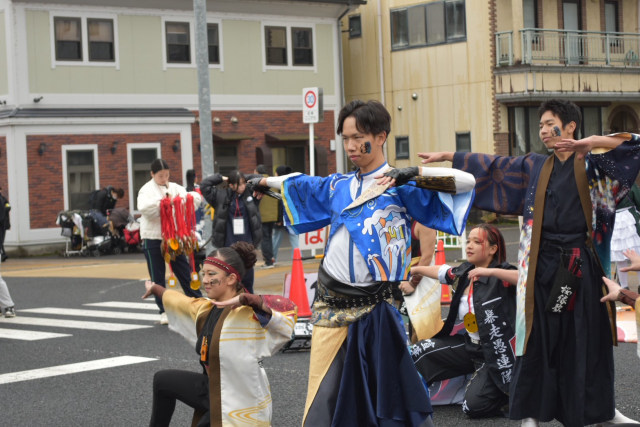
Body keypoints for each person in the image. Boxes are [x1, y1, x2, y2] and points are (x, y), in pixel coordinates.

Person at [251, 99, 476, 426]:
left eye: (358, 137)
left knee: (387, 393)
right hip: (331, 304)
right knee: (323, 393)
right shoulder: (338, 185)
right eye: (345, 138)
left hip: (378, 307)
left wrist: (415, 173)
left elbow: (467, 182)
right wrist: (260, 182)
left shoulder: (402, 186)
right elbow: (298, 184)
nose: (350, 146)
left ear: (381, 136)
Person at [418, 99, 640, 427]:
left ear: (570, 127)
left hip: (581, 264)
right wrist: (449, 156)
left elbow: (633, 147)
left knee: (588, 338)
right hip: (542, 266)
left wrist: (591, 143)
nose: (543, 130)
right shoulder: (535, 166)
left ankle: (602, 410)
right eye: (539, 126)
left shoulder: (593, 164)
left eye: (549, 123)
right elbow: (493, 166)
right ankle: (532, 414)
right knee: (537, 340)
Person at [144, 241, 296, 426]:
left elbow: (287, 315)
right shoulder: (206, 308)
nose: (205, 280)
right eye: (204, 274)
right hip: (213, 388)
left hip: (239, 401)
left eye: (211, 274)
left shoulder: (249, 315)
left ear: (231, 279)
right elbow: (181, 301)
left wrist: (252, 299)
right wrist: (156, 289)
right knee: (163, 380)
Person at [409, 224, 518, 418]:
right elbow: (442, 271)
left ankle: (500, 394)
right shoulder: (465, 272)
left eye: (477, 242)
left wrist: (490, 272)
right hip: (469, 347)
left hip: (495, 352)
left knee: (471, 407)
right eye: (468, 241)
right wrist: (415, 269)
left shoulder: (503, 274)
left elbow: (524, 278)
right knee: (417, 351)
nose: (469, 245)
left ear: (493, 249)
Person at [137, 159, 203, 325]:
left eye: (166, 175)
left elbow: (194, 198)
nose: (164, 178)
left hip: (173, 238)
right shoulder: (146, 190)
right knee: (157, 276)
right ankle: (163, 311)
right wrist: (166, 203)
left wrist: (180, 200)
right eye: (160, 176)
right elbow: (145, 209)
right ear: (152, 174)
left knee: (184, 271)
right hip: (153, 237)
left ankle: (198, 303)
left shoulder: (175, 187)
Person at [200, 170, 262, 293]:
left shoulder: (251, 193)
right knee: (230, 279)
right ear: (231, 185)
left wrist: (242, 176)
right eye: (239, 184)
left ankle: (248, 301)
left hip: (247, 245)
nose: (243, 186)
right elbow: (205, 185)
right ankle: (230, 302)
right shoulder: (220, 196)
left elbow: (260, 178)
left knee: (247, 280)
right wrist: (222, 177)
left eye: (244, 183)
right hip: (228, 245)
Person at [611, 184, 640, 290]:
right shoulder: (629, 183)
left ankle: (623, 288)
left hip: (614, 221)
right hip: (629, 220)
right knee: (636, 255)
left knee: (620, 258)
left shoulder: (604, 185)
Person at [271, 165, 299, 265]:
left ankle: (272, 259)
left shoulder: (278, 185)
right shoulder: (292, 184)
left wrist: (278, 219)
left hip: (282, 217)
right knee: (294, 238)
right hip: (292, 217)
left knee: (275, 240)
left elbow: (280, 204)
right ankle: (297, 259)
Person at [255, 165, 278, 268]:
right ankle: (272, 259)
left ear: (257, 172)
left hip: (262, 216)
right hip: (273, 215)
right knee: (269, 238)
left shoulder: (258, 182)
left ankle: (268, 262)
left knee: (265, 239)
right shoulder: (273, 181)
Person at [0, 187, 10, 262]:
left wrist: (5, 208)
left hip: (3, 222)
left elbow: (8, 206)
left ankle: (3, 255)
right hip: (1, 222)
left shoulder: (3, 199)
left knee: (1, 239)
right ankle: (3, 255)